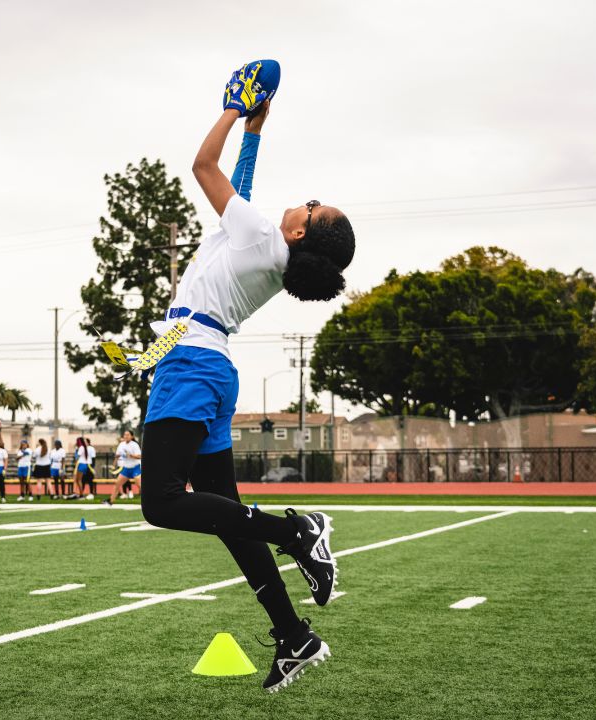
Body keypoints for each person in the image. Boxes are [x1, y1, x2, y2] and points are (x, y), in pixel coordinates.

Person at [136, 70, 355, 693]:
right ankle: (293, 635)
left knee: (162, 504)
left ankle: (297, 531)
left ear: (298, 231)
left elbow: (203, 165)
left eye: (311, 207)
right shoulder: (264, 240)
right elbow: (241, 183)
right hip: (207, 364)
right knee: (228, 516)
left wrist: (232, 110)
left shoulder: (260, 234)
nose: (303, 201)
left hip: (191, 365)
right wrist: (257, 129)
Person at [106, 430, 141, 505]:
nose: (126, 436)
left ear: (132, 436)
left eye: (128, 435)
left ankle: (151, 502)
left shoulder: (134, 445)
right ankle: (110, 501)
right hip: (126, 468)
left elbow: (139, 456)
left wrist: (131, 455)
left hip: (135, 467)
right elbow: (117, 455)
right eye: (125, 435)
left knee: (140, 485)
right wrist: (113, 465)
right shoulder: (121, 444)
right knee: (117, 484)